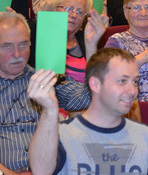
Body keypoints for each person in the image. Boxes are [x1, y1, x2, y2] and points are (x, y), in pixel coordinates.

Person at [27, 48, 148, 174]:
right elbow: (40, 171)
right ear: (95, 84)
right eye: (122, 81)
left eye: (135, 82)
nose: (133, 91)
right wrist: (49, 110)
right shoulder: (62, 135)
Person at [0, 12, 89, 173]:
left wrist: (91, 46)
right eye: (7, 46)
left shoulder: (45, 79)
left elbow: (86, 99)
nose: (17, 54)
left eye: (23, 44)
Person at [25, 0, 108, 83]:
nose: (74, 15)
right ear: (56, 10)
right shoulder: (38, 31)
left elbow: (97, 82)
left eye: (80, 12)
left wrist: (91, 44)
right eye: (69, 9)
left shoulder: (87, 38)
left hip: (84, 95)